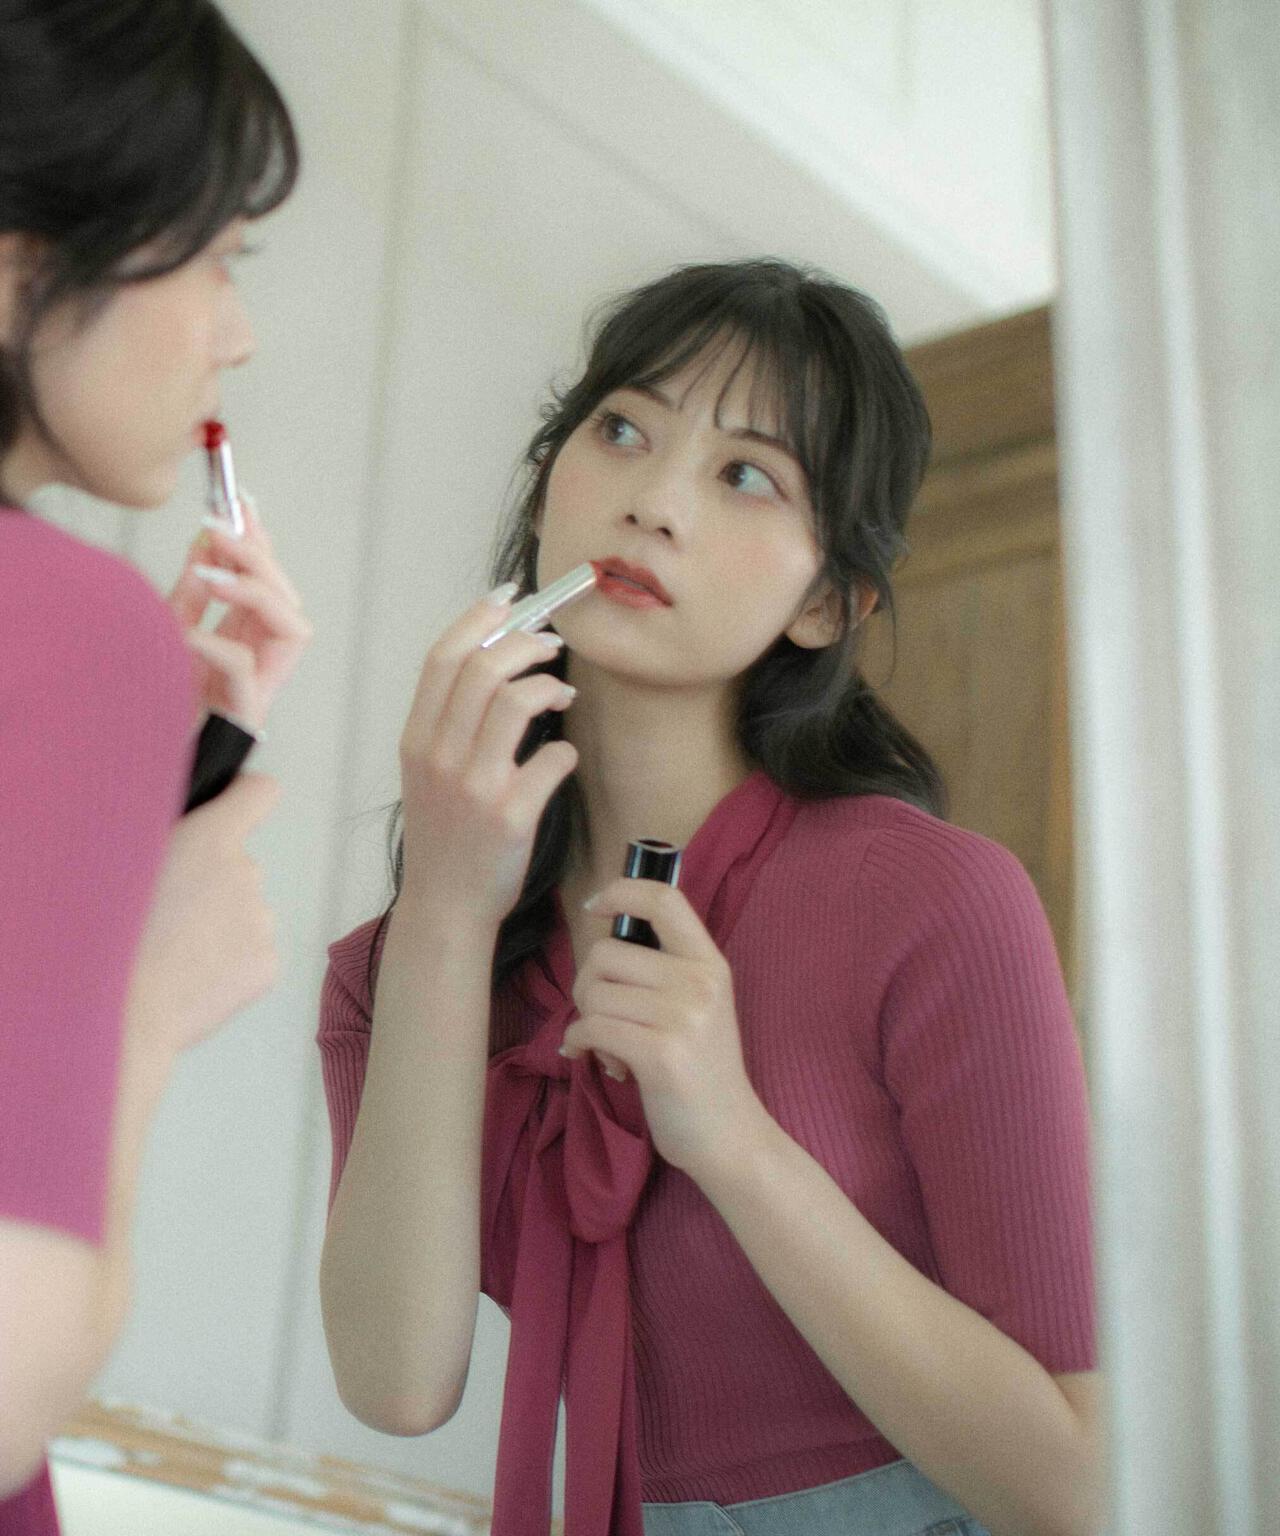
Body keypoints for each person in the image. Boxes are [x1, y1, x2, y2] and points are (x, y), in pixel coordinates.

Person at [317, 259, 1104, 1536]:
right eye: (623, 430)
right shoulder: (394, 966)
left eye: (745, 474)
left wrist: (731, 1136)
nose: (652, 503)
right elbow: (396, 1384)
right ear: (550, 478)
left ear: (825, 603)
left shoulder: (931, 902)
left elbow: (1077, 1484)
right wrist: (447, 919)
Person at [0, 3, 313, 1530]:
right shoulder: (70, 624)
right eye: (218, 258)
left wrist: (137, 792)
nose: (234, 333)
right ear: (20, 269)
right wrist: (152, 999)